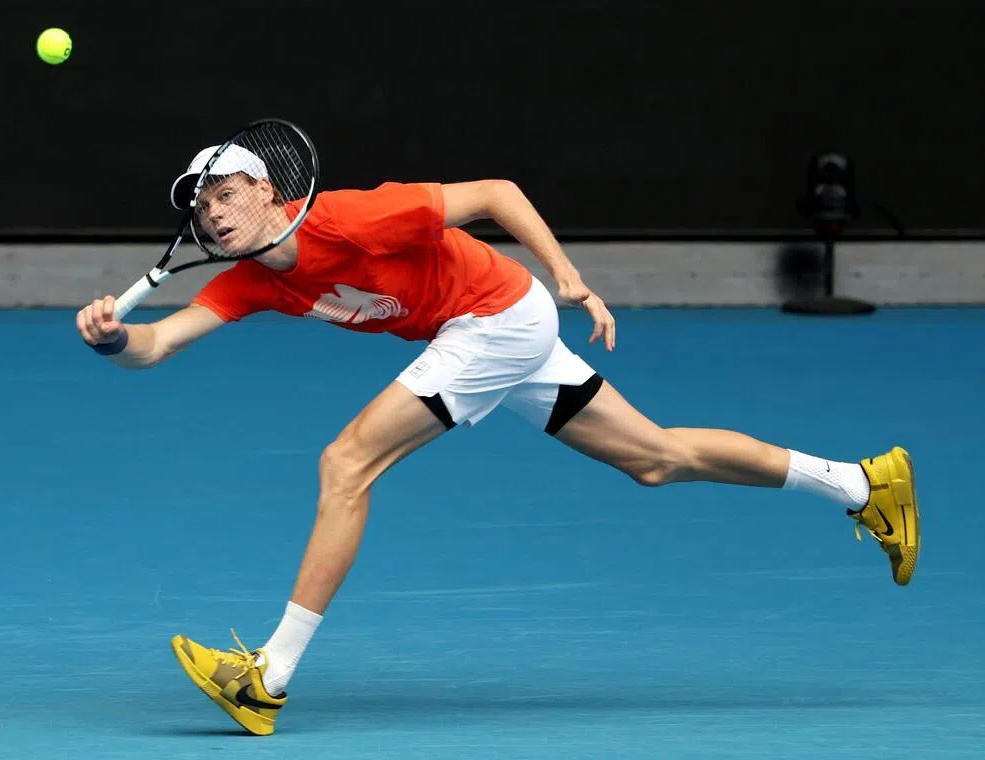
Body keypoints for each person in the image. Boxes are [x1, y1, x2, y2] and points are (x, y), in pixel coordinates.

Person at [76, 144, 920, 736]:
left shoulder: (350, 218)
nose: (214, 213)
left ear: (267, 190)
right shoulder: (252, 279)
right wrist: (114, 338)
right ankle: (861, 484)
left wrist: (569, 276)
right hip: (482, 331)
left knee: (346, 464)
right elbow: (156, 345)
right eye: (202, 205)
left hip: (494, 317)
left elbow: (497, 194)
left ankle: (268, 678)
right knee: (657, 459)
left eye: (225, 194)